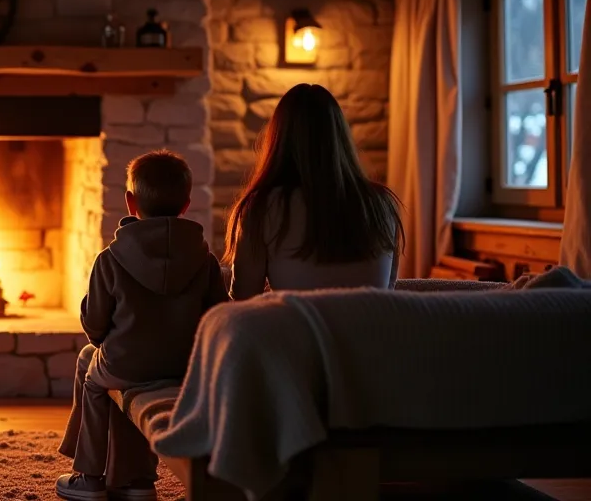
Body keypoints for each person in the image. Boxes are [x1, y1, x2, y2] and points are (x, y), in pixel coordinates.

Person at [57, 150, 228, 501]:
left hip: (127, 363)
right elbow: (218, 316)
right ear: (186, 205)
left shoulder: (110, 259)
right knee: (109, 367)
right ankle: (136, 480)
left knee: (92, 372)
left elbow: (96, 328)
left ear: (130, 202)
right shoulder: (205, 258)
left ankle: (89, 476)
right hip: (185, 366)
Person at [225, 83, 404, 299]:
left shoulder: (262, 207)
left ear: (279, 139)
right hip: (367, 333)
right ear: (340, 136)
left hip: (298, 332)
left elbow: (244, 299)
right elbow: (387, 292)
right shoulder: (383, 204)